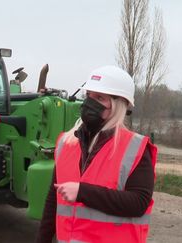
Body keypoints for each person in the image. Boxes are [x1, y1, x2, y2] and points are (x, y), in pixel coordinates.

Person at [36, 65, 157, 243]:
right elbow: (53, 201)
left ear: (118, 104)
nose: (89, 104)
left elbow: (138, 202)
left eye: (100, 97)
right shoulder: (67, 143)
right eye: (88, 96)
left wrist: (83, 192)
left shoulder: (135, 147)